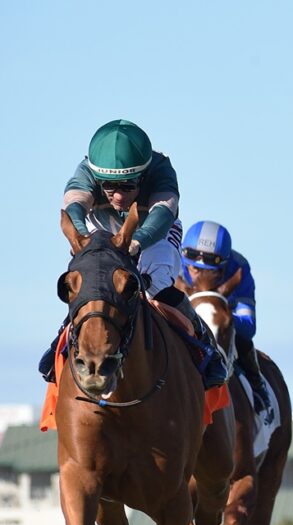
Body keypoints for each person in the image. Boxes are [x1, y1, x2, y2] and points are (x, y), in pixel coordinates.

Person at [41, 119, 228, 389]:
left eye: (128, 186)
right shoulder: (85, 171)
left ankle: (203, 341)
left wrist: (136, 243)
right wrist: (82, 239)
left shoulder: (161, 169)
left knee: (156, 283)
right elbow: (74, 207)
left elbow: (162, 215)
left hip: (154, 228)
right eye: (108, 186)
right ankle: (61, 340)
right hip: (102, 225)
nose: (118, 196)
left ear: (143, 175)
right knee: (93, 281)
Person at [179, 220, 274, 423]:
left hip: (224, 318)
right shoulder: (174, 261)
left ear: (223, 266)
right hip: (184, 315)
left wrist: (223, 317)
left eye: (208, 268)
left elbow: (248, 326)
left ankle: (258, 387)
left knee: (243, 337)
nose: (197, 273)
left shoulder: (239, 268)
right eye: (193, 267)